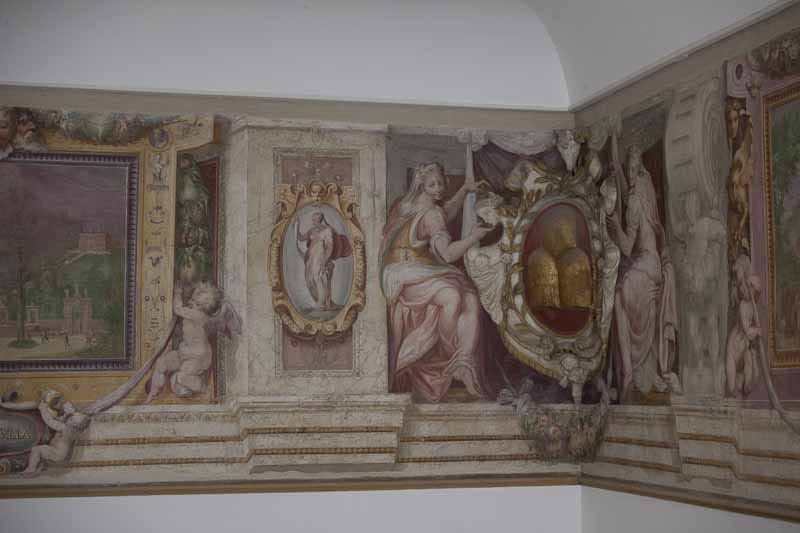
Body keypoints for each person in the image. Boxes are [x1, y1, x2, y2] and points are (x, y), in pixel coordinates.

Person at [380, 162, 494, 402]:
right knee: (454, 295)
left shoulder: (406, 204)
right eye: (432, 185)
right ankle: (450, 358)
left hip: (399, 270)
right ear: (422, 185)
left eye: (441, 183)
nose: (439, 188)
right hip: (410, 272)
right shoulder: (431, 215)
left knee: (468, 294)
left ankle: (462, 361)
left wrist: (464, 190)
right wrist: (473, 237)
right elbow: (448, 254)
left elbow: (445, 212)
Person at [607, 146, 680, 399]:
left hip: (643, 266)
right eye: (628, 169)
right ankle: (635, 372)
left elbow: (628, 247)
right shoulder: (646, 196)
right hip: (655, 266)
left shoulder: (635, 202)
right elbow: (628, 197)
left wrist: (614, 225)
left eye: (632, 170)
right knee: (623, 291)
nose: (630, 174)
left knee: (618, 296)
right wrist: (618, 171)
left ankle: (628, 373)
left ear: (637, 173)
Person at [296, 212, 351, 311]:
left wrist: (325, 261)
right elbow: (301, 238)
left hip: (321, 258)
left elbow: (330, 247)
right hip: (311, 258)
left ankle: (321, 303)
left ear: (319, 220)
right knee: (310, 279)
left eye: (315, 220)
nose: (313, 222)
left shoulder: (327, 230)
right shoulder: (312, 230)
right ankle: (321, 302)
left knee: (319, 279)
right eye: (313, 220)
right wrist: (297, 226)